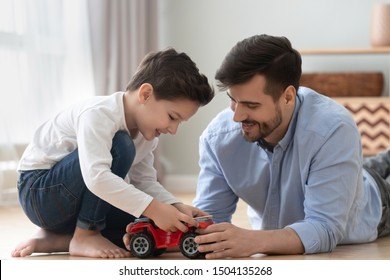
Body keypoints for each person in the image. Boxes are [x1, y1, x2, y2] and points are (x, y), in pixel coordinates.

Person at [192, 34, 390, 259]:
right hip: (339, 171)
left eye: (251, 105)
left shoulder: (332, 130)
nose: (237, 116)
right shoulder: (219, 137)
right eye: (233, 100)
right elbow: (208, 221)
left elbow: (324, 228)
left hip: (376, 204)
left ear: (288, 97)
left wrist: (251, 241)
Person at [11, 48, 214, 258]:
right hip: (40, 193)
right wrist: (154, 208)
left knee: (141, 223)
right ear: (145, 94)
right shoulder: (99, 114)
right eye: (172, 117)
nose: (173, 129)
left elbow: (144, 182)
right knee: (121, 146)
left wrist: (174, 206)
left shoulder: (147, 136)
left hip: (72, 204)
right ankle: (86, 234)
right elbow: (97, 178)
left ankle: (56, 239)